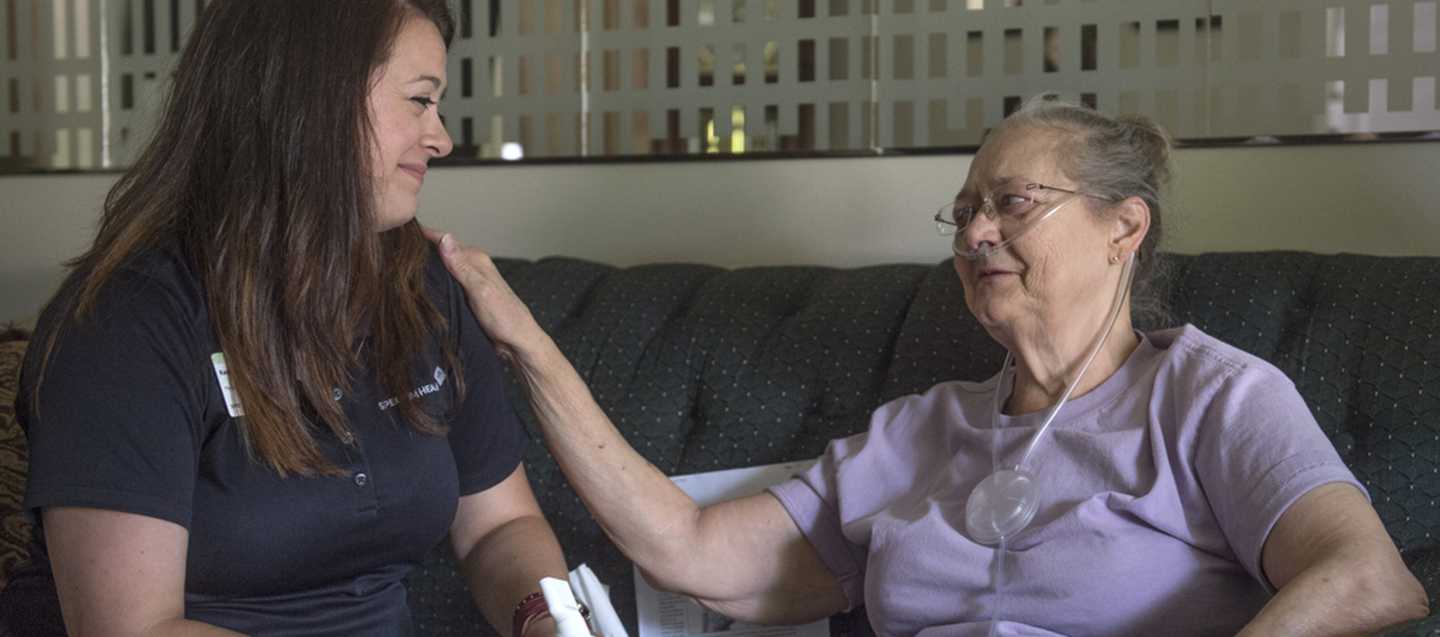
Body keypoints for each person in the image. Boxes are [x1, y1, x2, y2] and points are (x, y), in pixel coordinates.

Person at [426, 98, 1429, 635]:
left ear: (1125, 227)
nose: (977, 233)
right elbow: (689, 547)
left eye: (1012, 203)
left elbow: (1369, 577)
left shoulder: (1209, 394)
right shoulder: (925, 429)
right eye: (964, 214)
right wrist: (527, 345)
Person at [2, 1, 572, 635]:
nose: (440, 137)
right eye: (419, 100)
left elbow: (500, 525)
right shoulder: (127, 322)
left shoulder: (425, 287)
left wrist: (544, 619)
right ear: (314, 101)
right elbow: (134, 628)